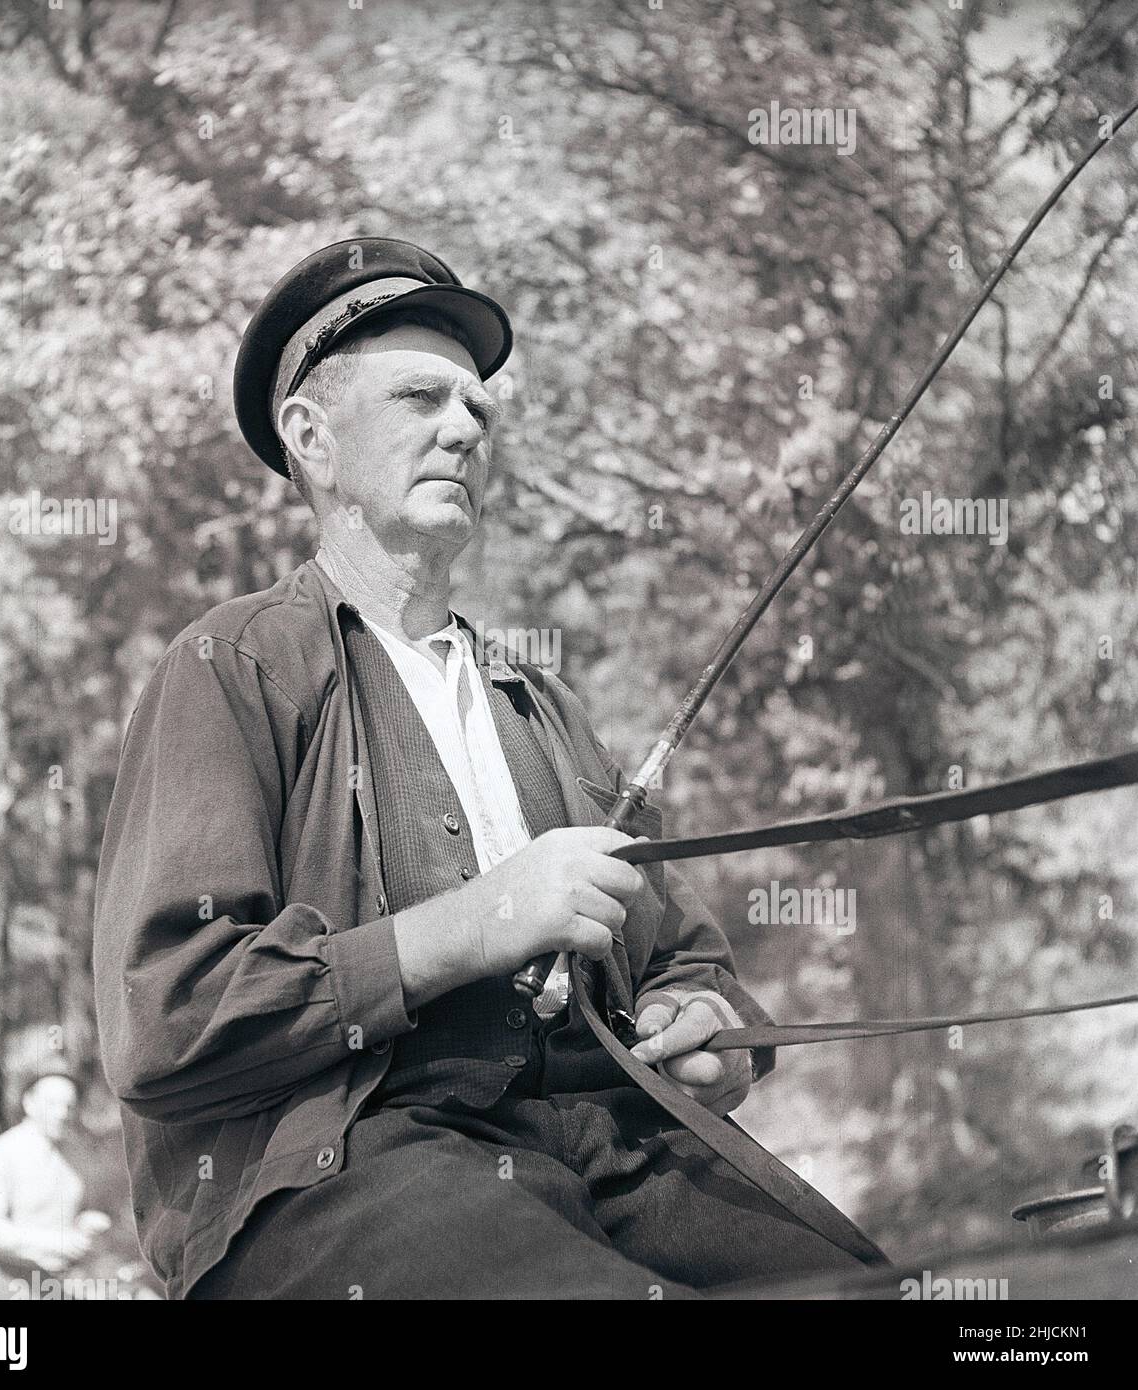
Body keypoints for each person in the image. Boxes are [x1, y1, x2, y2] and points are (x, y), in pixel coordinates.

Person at [93, 237, 883, 1298]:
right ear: (311, 438)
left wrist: (712, 1030)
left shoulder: (540, 701)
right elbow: (167, 1018)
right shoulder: (230, 665)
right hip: (338, 1175)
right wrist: (478, 922)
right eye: (422, 397)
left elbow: (687, 960)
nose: (466, 427)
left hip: (606, 1147)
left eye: (478, 409)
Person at [0, 1061, 111, 1299]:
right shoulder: (1, 1152)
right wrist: (55, 1241)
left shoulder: (75, 1152)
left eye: (69, 1105)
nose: (62, 1113)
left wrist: (85, 1221)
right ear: (29, 1103)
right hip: (11, 1284)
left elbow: (67, 1216)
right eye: (52, 1104)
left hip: (58, 1283)